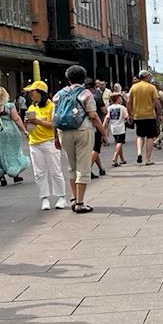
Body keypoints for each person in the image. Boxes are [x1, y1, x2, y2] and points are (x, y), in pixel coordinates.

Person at [53, 65, 108, 214]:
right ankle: (80, 202)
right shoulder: (86, 93)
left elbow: (55, 118)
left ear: (68, 78)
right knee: (83, 166)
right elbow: (93, 115)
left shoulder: (59, 94)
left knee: (71, 166)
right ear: (83, 78)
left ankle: (73, 198)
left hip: (63, 131)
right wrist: (103, 132)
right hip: (83, 130)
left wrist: (55, 137)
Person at [22, 79, 67, 211]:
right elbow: (30, 125)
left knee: (55, 171)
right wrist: (27, 123)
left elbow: (54, 124)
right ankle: (44, 198)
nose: (31, 94)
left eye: (33, 91)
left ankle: (61, 197)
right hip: (34, 142)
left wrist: (38, 122)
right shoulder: (32, 107)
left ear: (40, 92)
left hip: (49, 141)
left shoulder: (51, 106)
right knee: (39, 173)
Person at [0, 87, 29, 186]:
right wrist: (24, 130)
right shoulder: (9, 105)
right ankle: (15, 174)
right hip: (11, 131)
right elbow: (16, 118)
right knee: (14, 152)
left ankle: (1, 176)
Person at [128, 69, 162, 166]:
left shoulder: (134, 87)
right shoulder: (151, 87)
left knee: (140, 136)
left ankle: (139, 153)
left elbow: (128, 102)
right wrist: (159, 113)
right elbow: (157, 102)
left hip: (138, 116)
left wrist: (130, 113)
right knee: (150, 137)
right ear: (146, 76)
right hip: (150, 115)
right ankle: (148, 159)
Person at [106, 91, 129, 166]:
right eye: (120, 98)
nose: (121, 99)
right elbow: (126, 117)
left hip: (113, 128)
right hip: (121, 127)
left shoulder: (109, 108)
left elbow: (107, 118)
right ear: (118, 99)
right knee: (120, 142)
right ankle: (115, 157)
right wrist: (129, 121)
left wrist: (103, 127)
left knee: (118, 142)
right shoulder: (122, 107)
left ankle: (122, 159)